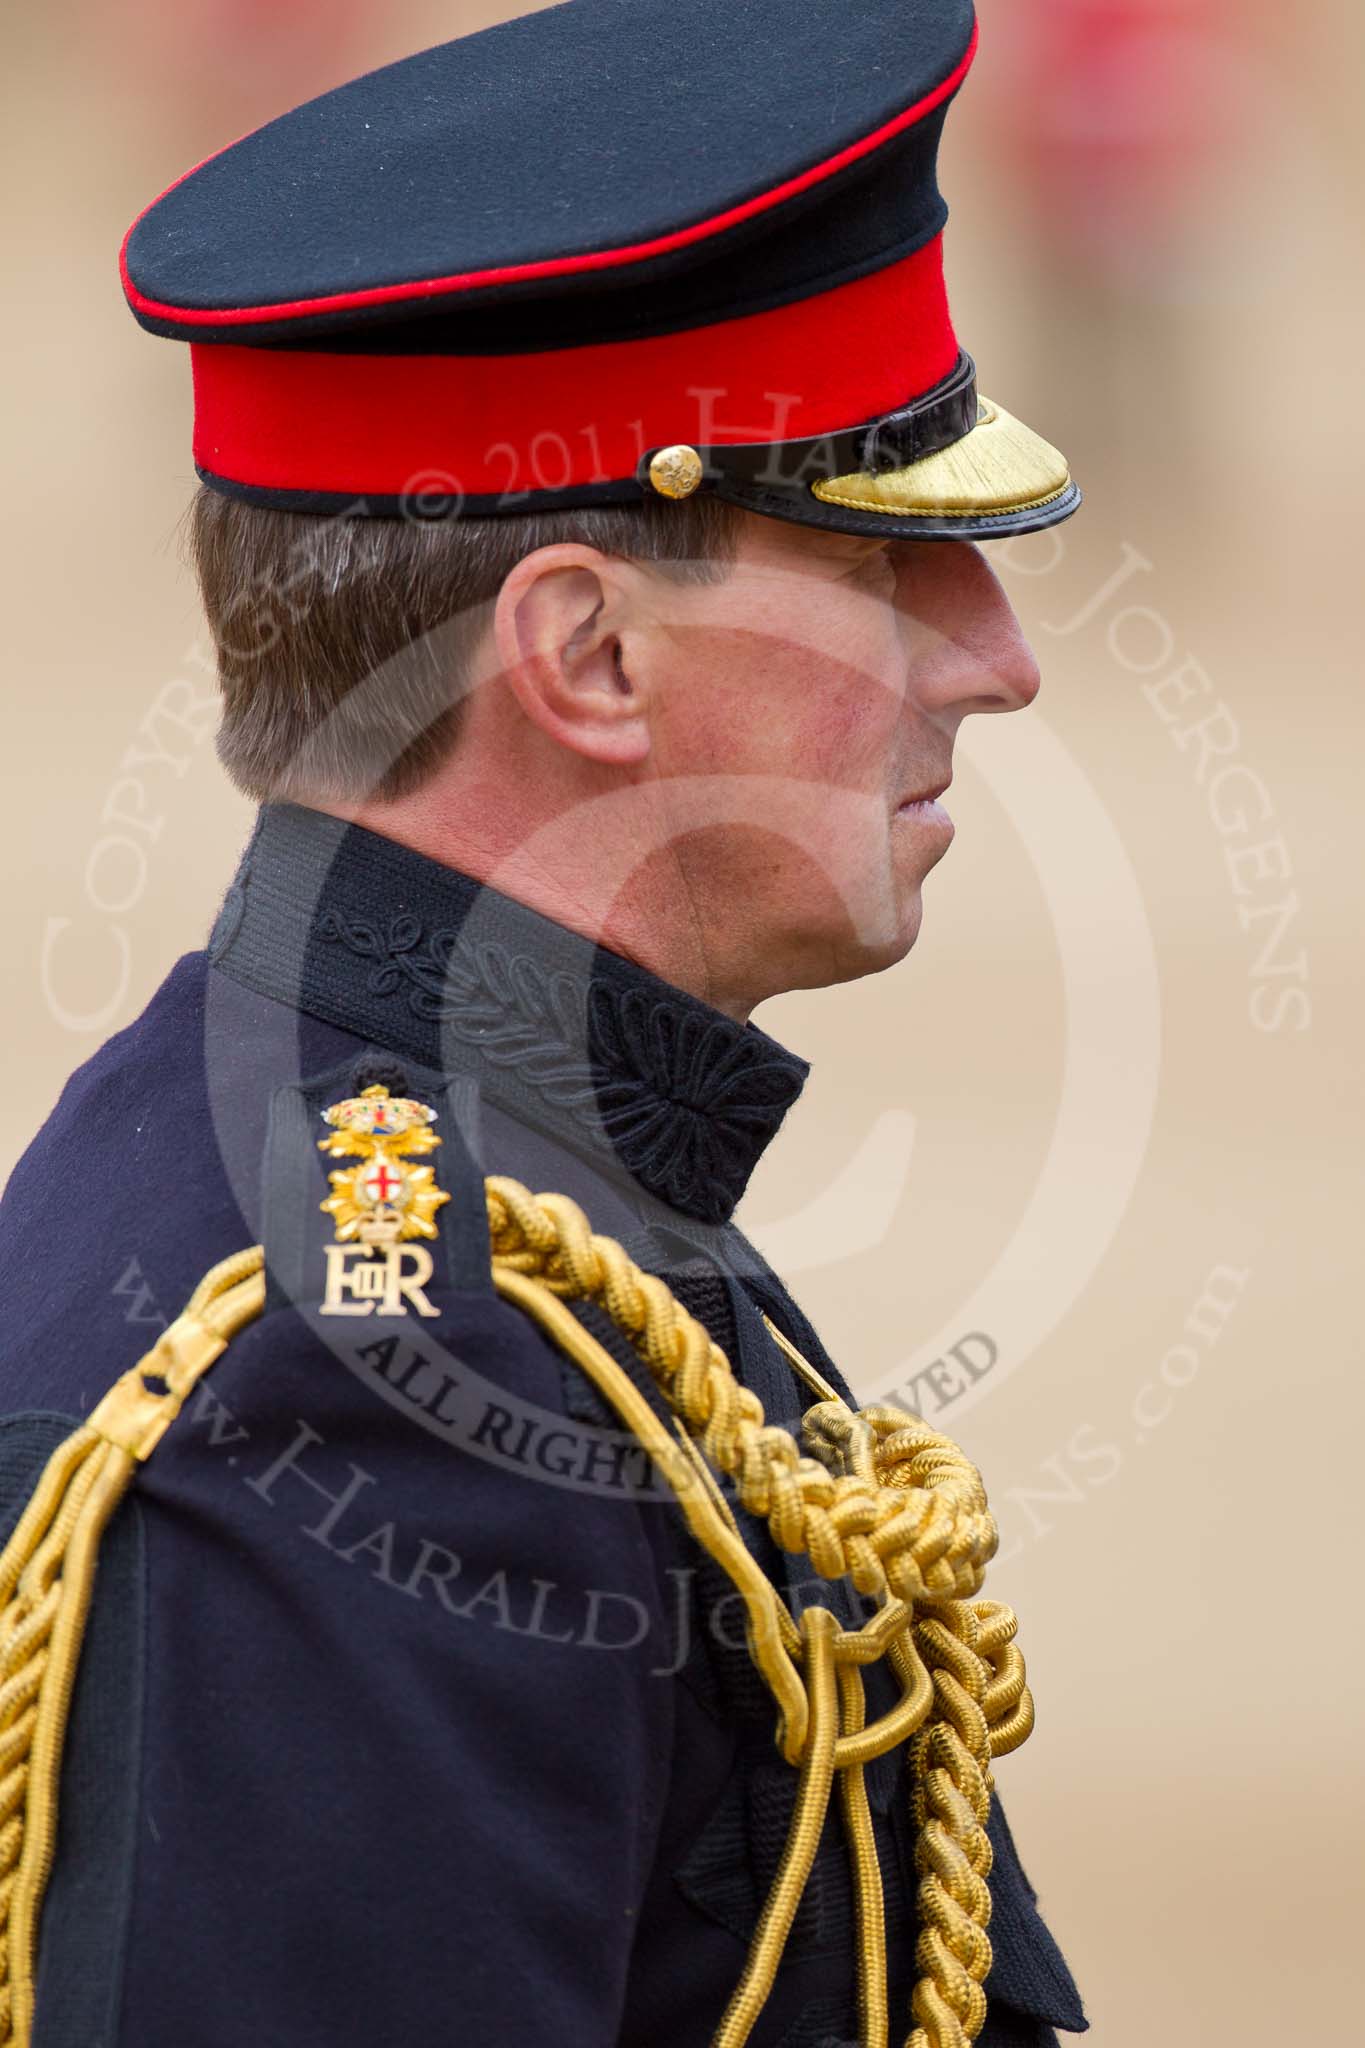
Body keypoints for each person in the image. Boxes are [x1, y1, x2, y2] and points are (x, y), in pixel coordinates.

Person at [0, 2, 1091, 2044]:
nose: (996, 660)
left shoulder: (508, 1205)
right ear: (586, 652)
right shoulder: (356, 1379)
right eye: (894, 563)